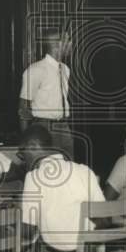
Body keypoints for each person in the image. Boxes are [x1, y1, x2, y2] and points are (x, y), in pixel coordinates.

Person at [19, 124, 105, 252]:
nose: (23, 160)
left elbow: (27, 230)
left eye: (22, 154)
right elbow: (104, 218)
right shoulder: (84, 170)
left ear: (33, 147)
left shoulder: (33, 177)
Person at [18, 29, 74, 160]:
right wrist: (25, 140)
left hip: (64, 127)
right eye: (67, 41)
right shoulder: (36, 70)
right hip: (43, 128)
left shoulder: (65, 69)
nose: (71, 44)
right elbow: (23, 107)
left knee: (68, 168)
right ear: (56, 45)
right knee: (44, 169)